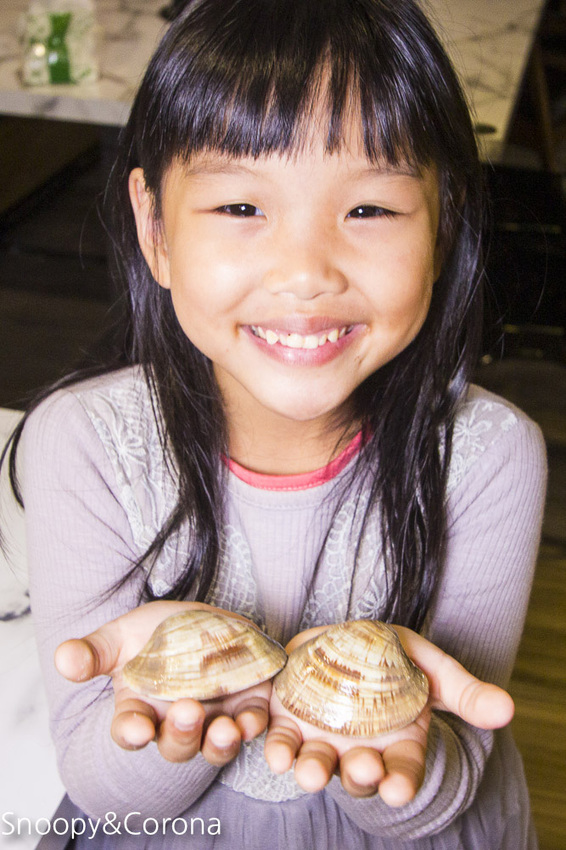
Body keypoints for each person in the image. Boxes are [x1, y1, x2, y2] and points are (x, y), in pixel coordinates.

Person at [3, 0, 547, 846]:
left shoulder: (486, 454)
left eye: (368, 210)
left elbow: (447, 791)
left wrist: (395, 750)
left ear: (441, 225)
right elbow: (105, 790)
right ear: (155, 228)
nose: (304, 273)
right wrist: (178, 724)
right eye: (240, 209)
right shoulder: (84, 445)